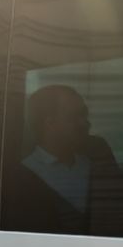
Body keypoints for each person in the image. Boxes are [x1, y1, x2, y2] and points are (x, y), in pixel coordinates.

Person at [22, 85, 93, 230]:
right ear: (50, 123)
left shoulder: (91, 167)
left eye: (85, 114)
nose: (85, 122)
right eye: (75, 116)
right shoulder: (25, 174)